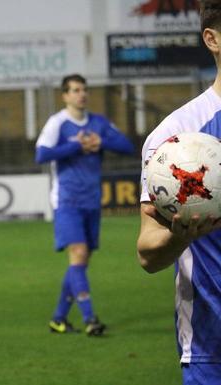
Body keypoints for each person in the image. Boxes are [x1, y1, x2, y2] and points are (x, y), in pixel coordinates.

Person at [137, 1, 221, 383]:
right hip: (213, 348)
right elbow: (148, 254)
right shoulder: (177, 140)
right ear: (212, 38)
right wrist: (178, 237)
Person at [35, 74, 134, 336]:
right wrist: (76, 146)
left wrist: (102, 142)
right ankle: (90, 318)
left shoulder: (98, 123)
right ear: (65, 95)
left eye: (84, 89)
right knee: (78, 255)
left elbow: (126, 146)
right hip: (66, 200)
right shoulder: (58, 123)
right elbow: (42, 154)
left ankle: (58, 319)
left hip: (91, 200)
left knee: (80, 262)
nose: (82, 94)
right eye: (76, 90)